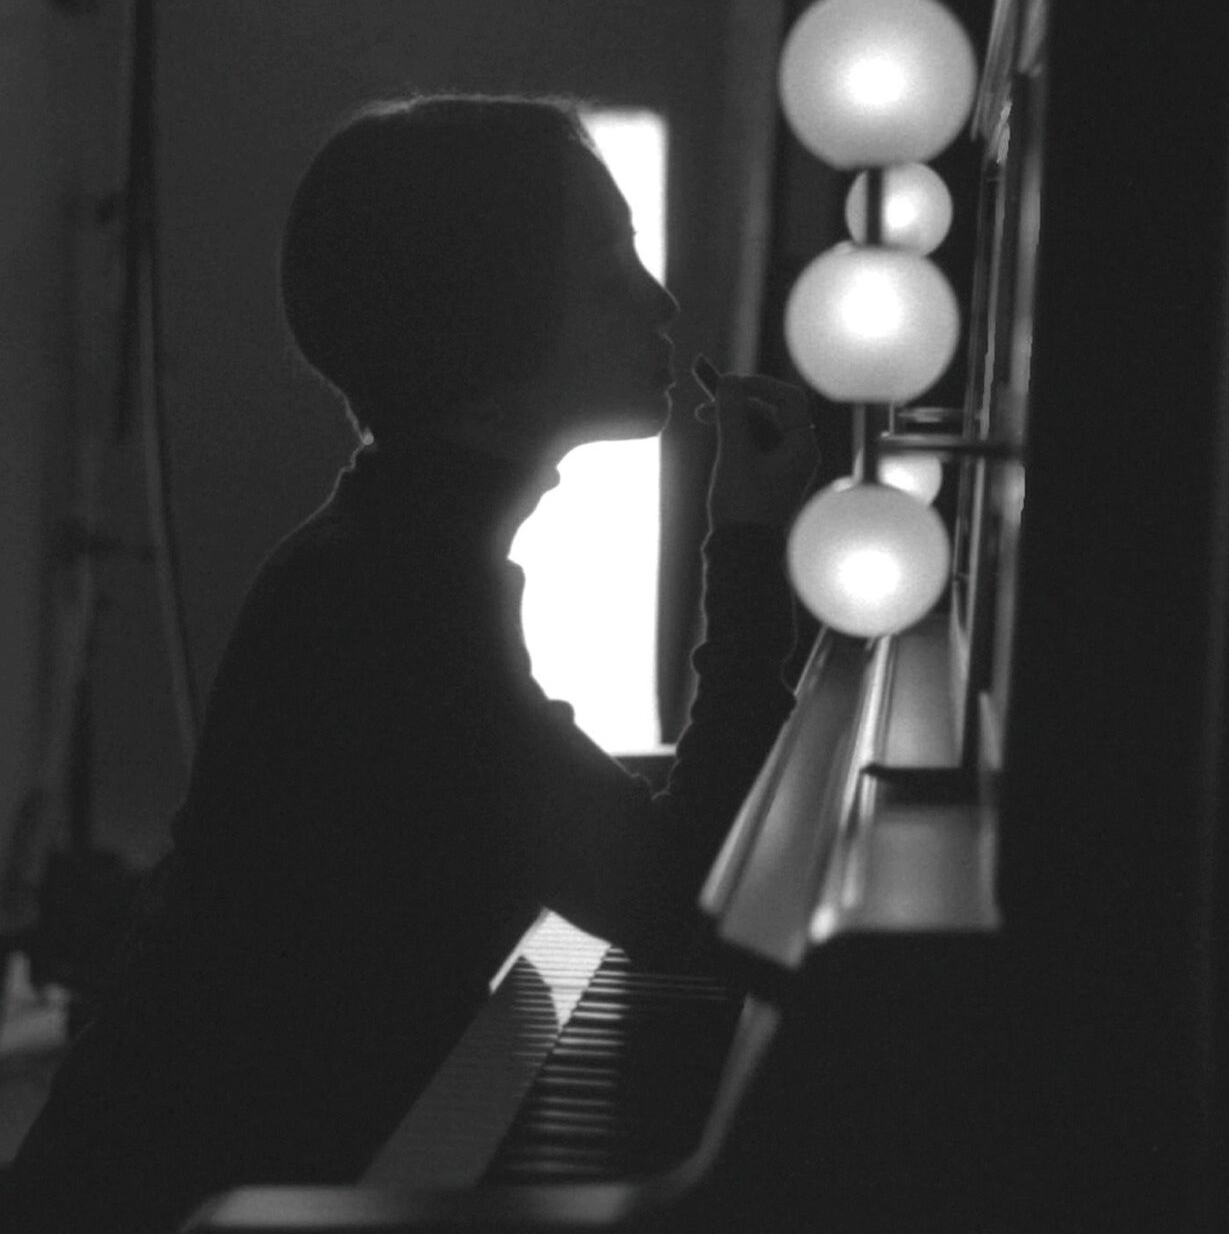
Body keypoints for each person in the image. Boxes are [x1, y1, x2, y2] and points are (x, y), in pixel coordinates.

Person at [2, 95, 817, 1232]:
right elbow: (679, 900)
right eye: (607, 271)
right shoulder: (387, 601)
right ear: (484, 325)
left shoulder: (395, 562)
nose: (661, 303)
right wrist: (750, 552)